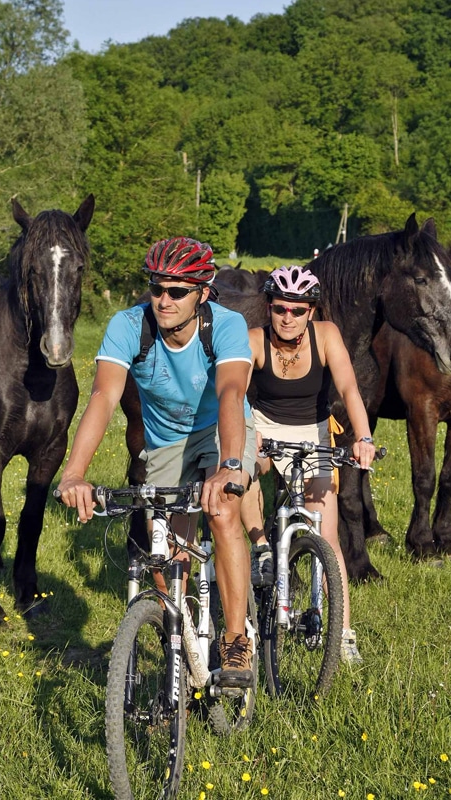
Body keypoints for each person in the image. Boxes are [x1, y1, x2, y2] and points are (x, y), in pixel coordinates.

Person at [57, 237, 257, 688]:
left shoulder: (226, 326)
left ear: (203, 292)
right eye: (156, 288)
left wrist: (228, 465)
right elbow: (104, 397)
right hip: (166, 442)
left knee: (223, 511)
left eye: (177, 291)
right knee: (166, 552)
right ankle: (184, 644)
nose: (164, 300)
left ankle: (234, 638)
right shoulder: (129, 325)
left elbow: (231, 393)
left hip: (221, 432)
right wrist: (74, 472)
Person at [240, 265, 376, 665]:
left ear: (310, 312)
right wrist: (249, 432)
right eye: (280, 308)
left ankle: (344, 632)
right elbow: (234, 391)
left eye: (298, 310)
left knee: (328, 537)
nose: (288, 317)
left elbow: (349, 388)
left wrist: (363, 437)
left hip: (314, 431)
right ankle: (261, 548)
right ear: (269, 307)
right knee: (242, 473)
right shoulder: (255, 340)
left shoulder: (327, 336)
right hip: (264, 426)